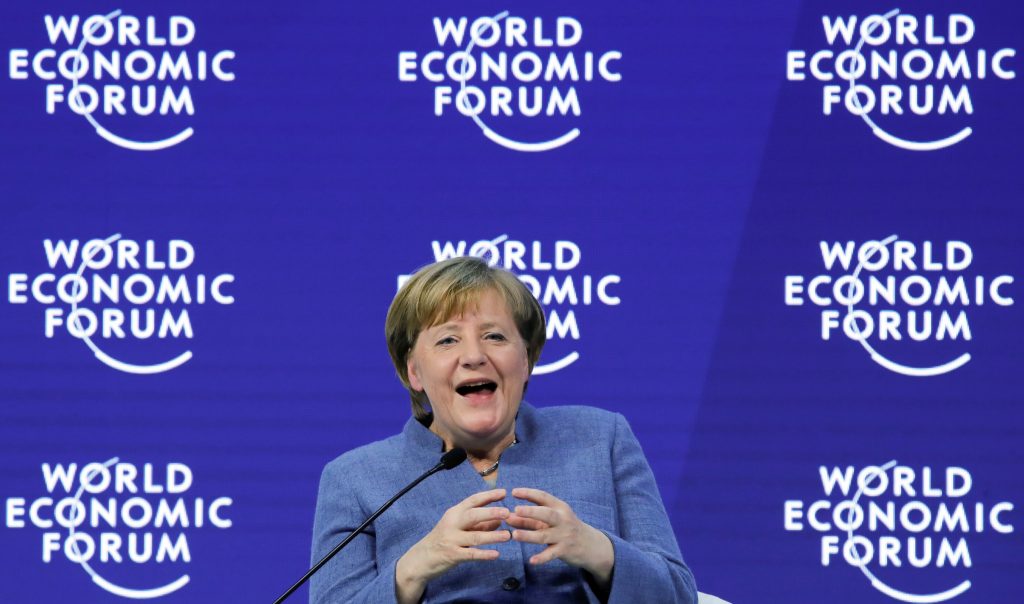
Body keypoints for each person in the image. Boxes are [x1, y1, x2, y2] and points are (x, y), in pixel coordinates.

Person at [310, 257, 697, 603]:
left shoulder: (601, 438)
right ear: (415, 372)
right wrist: (414, 567)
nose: (475, 356)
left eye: (495, 336)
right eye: (447, 340)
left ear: (526, 359)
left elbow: (679, 596)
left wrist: (595, 548)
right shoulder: (354, 478)